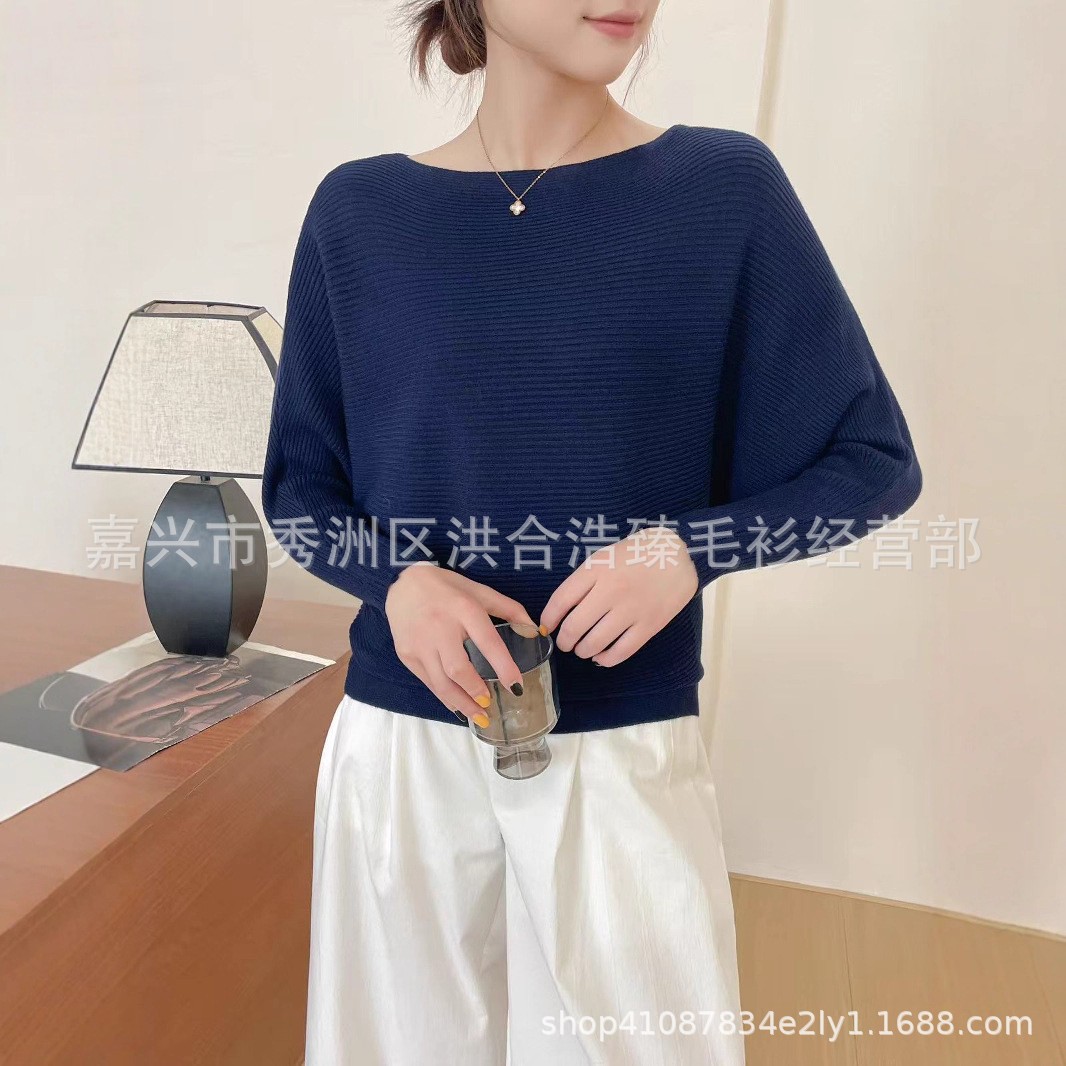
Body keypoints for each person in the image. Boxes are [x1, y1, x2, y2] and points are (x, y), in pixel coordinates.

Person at [261, 2, 923, 1063]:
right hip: (403, 745)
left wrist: (689, 550)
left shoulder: (723, 190)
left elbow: (871, 460)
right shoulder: (359, 213)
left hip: (618, 746)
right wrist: (398, 585)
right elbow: (301, 486)